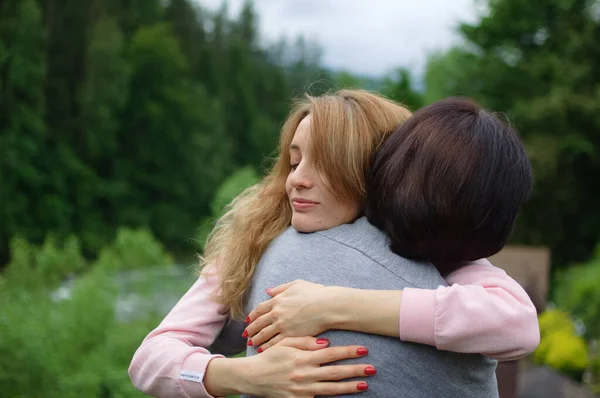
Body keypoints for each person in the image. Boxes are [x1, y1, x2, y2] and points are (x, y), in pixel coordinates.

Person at [129, 91, 538, 397]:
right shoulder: (256, 242)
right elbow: (149, 359)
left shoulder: (419, 247)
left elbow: (515, 324)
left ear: (376, 175)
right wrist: (245, 376)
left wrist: (332, 305)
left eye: (323, 165)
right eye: (293, 162)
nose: (297, 179)